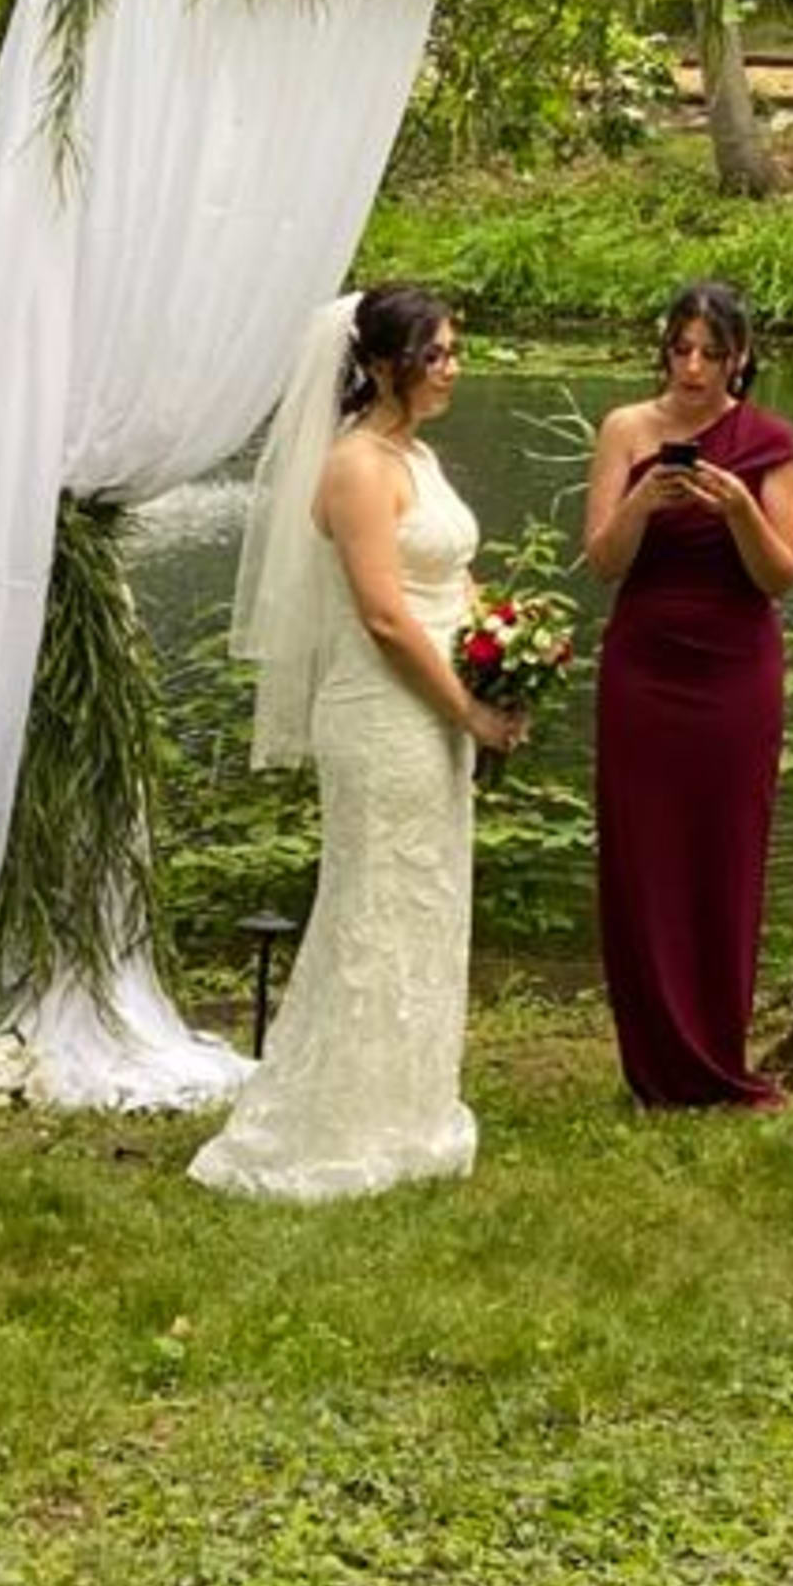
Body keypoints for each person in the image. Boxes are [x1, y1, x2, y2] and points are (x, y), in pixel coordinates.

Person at [192, 287, 526, 1203]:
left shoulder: (414, 455)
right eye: (436, 354)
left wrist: (509, 650)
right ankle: (330, 1123)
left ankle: (410, 1107)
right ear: (382, 364)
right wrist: (467, 708)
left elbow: (448, 578)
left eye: (456, 350)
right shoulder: (355, 467)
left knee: (425, 902)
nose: (452, 366)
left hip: (436, 704)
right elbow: (383, 613)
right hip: (383, 712)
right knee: (372, 905)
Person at [582, 280, 793, 1109]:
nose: (693, 368)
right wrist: (642, 500)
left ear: (741, 358)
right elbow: (604, 563)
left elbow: (780, 574)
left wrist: (742, 509)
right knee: (642, 857)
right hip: (643, 665)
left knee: (723, 853)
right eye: (681, 349)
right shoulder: (625, 430)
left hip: (734, 671)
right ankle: (651, 1061)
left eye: (712, 354)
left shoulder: (772, 442)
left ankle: (717, 1057)